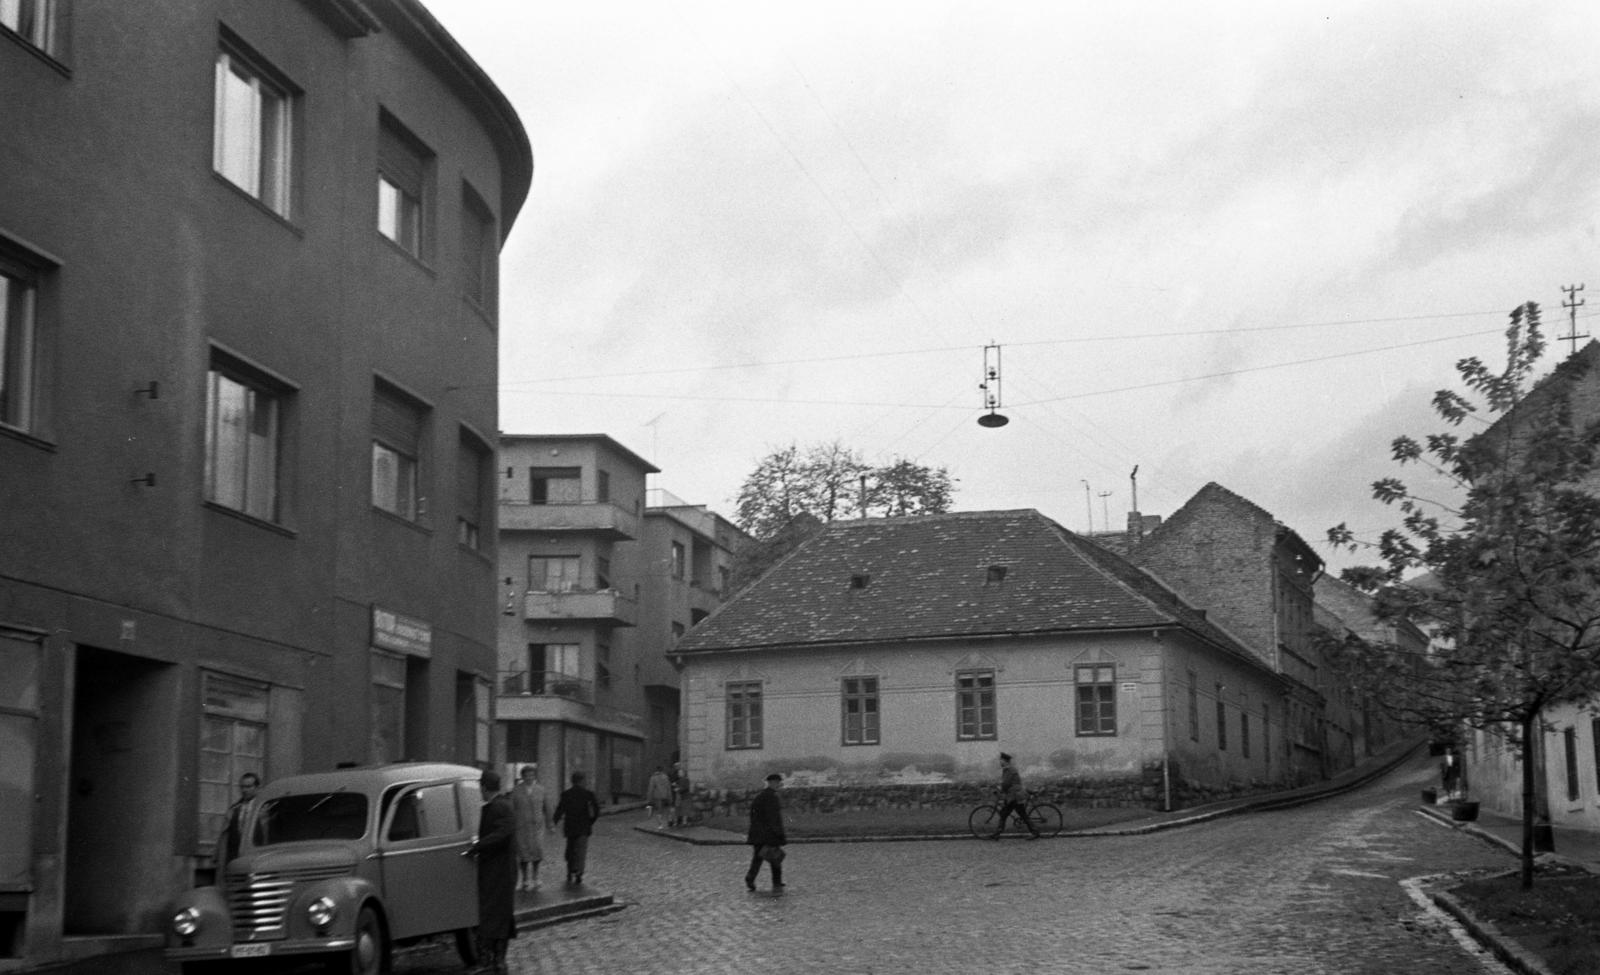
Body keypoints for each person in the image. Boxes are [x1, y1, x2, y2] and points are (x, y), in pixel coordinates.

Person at [467, 770, 517, 974]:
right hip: (496, 870)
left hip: (500, 871)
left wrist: (478, 846)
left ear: (486, 788)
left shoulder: (501, 806)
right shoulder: (497, 806)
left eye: (481, 787)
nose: (480, 790)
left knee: (495, 914)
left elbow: (503, 833)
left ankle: (494, 961)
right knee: (496, 914)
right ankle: (495, 960)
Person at [552, 770, 600, 886]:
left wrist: (553, 822)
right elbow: (596, 811)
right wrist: (590, 822)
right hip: (584, 827)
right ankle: (579, 873)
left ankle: (569, 871)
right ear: (582, 781)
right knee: (581, 851)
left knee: (571, 849)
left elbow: (560, 810)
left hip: (571, 827)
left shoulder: (566, 794)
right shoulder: (589, 794)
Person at [744, 772, 786, 891]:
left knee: (758, 858)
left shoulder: (761, 796)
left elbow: (753, 815)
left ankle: (750, 878)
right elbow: (774, 818)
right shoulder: (772, 797)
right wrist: (779, 834)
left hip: (758, 834)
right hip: (768, 834)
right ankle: (777, 882)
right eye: (777, 783)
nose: (778, 785)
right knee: (775, 858)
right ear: (772, 783)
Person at [215, 771, 260, 881]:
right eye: (242, 787)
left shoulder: (263, 808)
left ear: (257, 787)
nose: (244, 790)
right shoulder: (234, 809)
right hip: (235, 858)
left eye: (248, 787)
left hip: (257, 858)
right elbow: (224, 835)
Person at [511, 764, 549, 891]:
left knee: (537, 852)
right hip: (521, 827)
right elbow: (511, 809)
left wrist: (551, 824)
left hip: (537, 827)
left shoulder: (541, 789)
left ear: (535, 776)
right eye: (527, 775)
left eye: (532, 775)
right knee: (523, 854)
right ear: (522, 777)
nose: (529, 778)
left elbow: (547, 807)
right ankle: (525, 879)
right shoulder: (516, 790)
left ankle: (536, 877)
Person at [991, 752, 1039, 840]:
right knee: (1006, 814)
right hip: (1013, 796)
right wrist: (1000, 787)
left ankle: (1035, 832)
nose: (1000, 762)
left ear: (1005, 761)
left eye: (1001, 760)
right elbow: (1005, 783)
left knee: (1009, 814)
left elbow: (1006, 784)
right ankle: (997, 834)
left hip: (1015, 796)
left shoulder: (1010, 770)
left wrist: (999, 789)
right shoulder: (1007, 770)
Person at [669, 761, 692, 827]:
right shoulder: (678, 778)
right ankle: (675, 822)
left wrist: (678, 789)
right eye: (679, 772)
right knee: (679, 809)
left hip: (684, 797)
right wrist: (675, 786)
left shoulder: (686, 779)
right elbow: (675, 785)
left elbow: (685, 788)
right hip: (679, 797)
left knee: (684, 810)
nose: (679, 773)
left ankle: (683, 822)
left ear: (683, 773)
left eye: (680, 772)